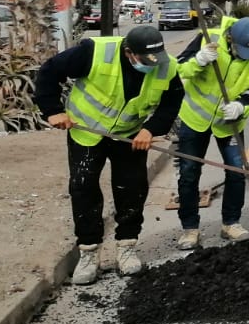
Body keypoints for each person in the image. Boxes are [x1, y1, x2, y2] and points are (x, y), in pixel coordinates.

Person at [33, 25, 183, 284]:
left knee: (132, 188)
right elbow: (49, 71)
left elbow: (172, 102)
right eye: (145, 60)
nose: (152, 65)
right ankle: (89, 252)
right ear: (129, 52)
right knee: (84, 187)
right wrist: (52, 110)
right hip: (87, 132)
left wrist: (151, 129)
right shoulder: (94, 52)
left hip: (129, 134)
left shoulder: (166, 66)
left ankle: (126, 246)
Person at [173, 16, 249, 248]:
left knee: (236, 172)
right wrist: (199, 60)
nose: (243, 57)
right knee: (189, 172)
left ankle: (231, 223)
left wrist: (241, 106)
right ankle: (190, 229)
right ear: (230, 40)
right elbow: (179, 69)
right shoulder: (208, 39)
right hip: (195, 118)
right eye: (239, 52)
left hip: (229, 123)